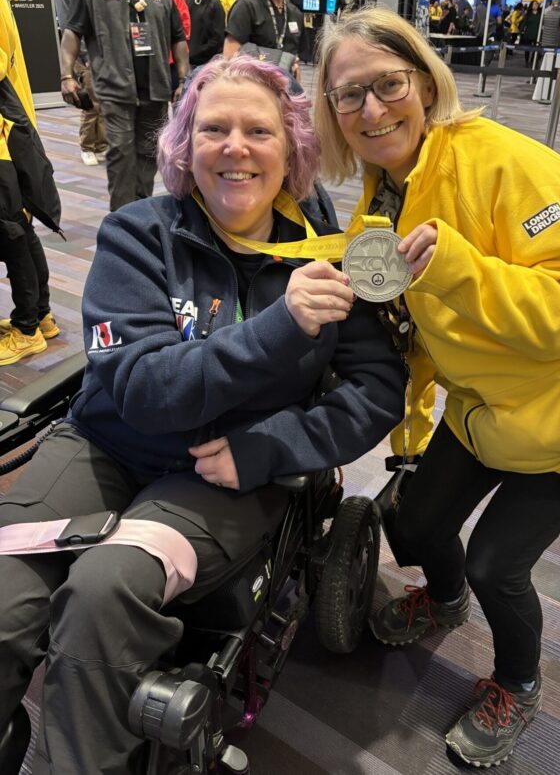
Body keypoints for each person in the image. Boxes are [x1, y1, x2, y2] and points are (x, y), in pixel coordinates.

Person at [0, 53, 405, 774]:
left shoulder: (333, 258)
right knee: (5, 598)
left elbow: (374, 391)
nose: (235, 148)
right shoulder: (139, 234)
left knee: (104, 591)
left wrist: (268, 447)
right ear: (184, 148)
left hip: (223, 471)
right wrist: (278, 329)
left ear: (292, 150)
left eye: (258, 130)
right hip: (107, 443)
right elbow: (140, 388)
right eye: (213, 129)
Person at [314, 5, 560, 769]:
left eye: (387, 84)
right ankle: (442, 602)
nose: (371, 109)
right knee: (412, 523)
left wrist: (458, 267)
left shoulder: (508, 164)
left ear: (425, 84)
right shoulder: (380, 197)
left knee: (496, 566)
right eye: (349, 95)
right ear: (331, 113)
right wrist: (406, 439)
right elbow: (415, 334)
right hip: (488, 401)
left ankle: (518, 681)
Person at [59, 0, 189, 212]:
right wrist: (67, 75)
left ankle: (139, 210)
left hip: (155, 89)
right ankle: (122, 219)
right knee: (120, 155)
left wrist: (184, 79)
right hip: (114, 89)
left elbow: (178, 39)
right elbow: (71, 33)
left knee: (149, 153)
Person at [0, 0, 62, 365]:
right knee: (19, 225)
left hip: (5, 137)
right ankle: (40, 316)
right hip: (11, 133)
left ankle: (27, 329)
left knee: (9, 229)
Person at [53, 0, 107, 167]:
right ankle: (87, 146)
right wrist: (83, 58)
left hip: (99, 53)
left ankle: (102, 145)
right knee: (90, 104)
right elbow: (70, 30)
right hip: (82, 57)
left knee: (103, 102)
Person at [186, 0, 225, 67]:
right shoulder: (188, 1)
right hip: (188, 60)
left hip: (208, 62)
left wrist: (196, 52)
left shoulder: (214, 5)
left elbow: (217, 38)